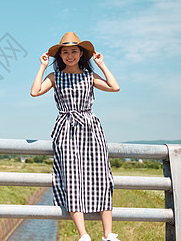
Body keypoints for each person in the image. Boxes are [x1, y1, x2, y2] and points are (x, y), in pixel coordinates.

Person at [30, 32, 120, 241]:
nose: (70, 55)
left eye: (73, 51)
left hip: (90, 129)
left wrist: (102, 65)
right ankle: (84, 235)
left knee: (102, 176)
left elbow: (115, 87)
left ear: (81, 54)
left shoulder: (89, 75)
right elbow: (35, 92)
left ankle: (108, 235)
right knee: (71, 178)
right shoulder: (55, 76)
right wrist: (42, 66)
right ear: (60, 56)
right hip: (66, 129)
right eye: (65, 52)